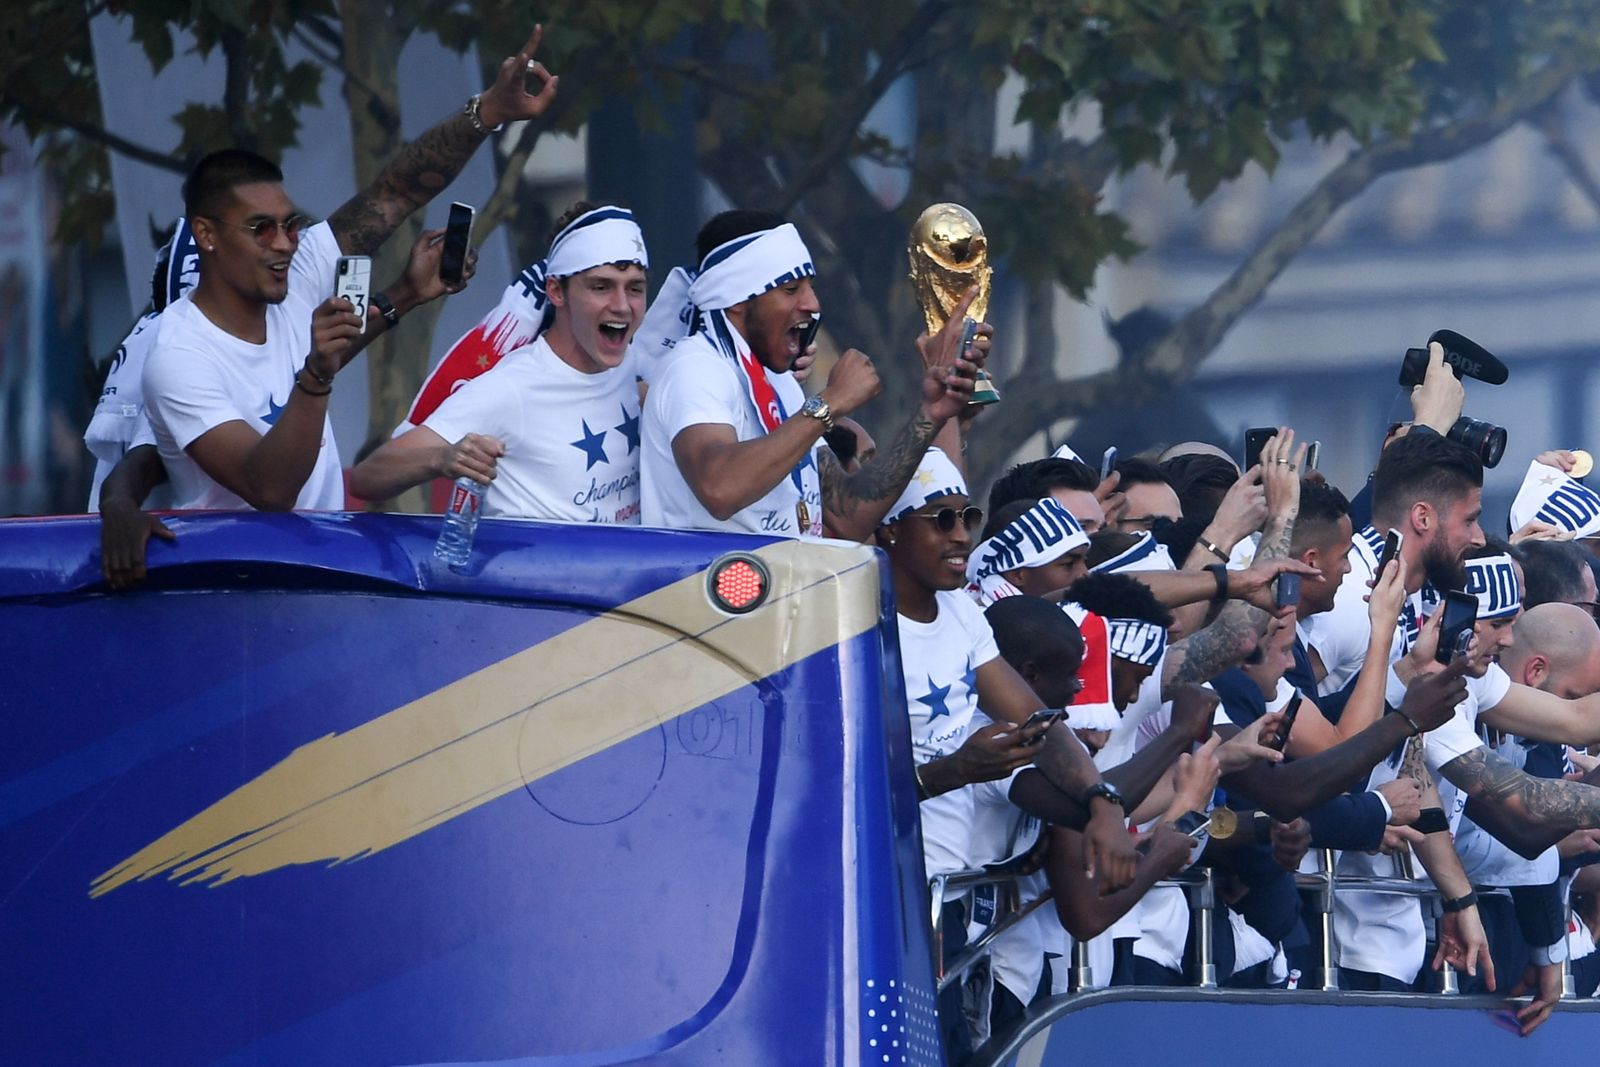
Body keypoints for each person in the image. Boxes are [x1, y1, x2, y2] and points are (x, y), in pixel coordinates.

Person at [140, 29, 559, 513]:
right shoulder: (178, 356)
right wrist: (317, 375)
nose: (283, 243)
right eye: (260, 229)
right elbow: (270, 490)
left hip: (328, 569)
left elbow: (397, 192)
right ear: (206, 234)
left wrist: (488, 113)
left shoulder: (294, 271)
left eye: (290, 225)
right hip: (243, 584)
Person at [637, 209, 977, 540]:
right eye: (790, 289)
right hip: (700, 593)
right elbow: (719, 488)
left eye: (809, 286)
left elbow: (849, 515)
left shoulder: (780, 384)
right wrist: (828, 404)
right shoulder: (696, 367)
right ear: (736, 298)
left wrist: (929, 415)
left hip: (789, 592)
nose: (812, 303)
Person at [348, 203, 648, 523]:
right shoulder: (511, 387)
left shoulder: (637, 364)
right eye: (601, 287)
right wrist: (442, 458)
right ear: (557, 291)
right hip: (532, 571)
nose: (622, 306)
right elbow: (366, 478)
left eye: (635, 289)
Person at [964, 497, 1089, 606]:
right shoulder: (975, 627)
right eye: (1069, 564)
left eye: (1085, 560)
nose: (1085, 574)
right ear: (1017, 575)